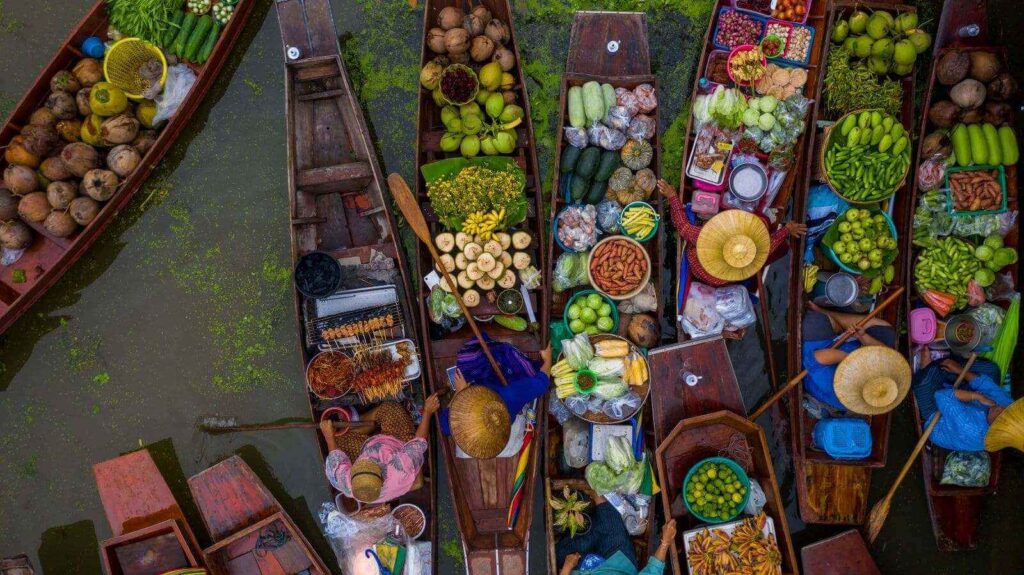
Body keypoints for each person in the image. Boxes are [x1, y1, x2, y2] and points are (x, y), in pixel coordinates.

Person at [658, 179, 805, 286]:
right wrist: (787, 230)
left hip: (700, 260)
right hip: (712, 270)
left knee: (764, 224)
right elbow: (769, 246)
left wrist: (672, 196)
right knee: (764, 223)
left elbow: (682, 226)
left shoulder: (707, 237)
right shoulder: (750, 259)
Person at [320, 393, 440, 504]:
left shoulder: (347, 483)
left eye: (362, 463)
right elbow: (419, 441)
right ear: (382, 476)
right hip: (396, 443)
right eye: (369, 463)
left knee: (339, 439)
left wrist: (329, 436)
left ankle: (366, 423)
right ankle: (371, 423)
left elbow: (335, 461)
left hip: (370, 446)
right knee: (391, 408)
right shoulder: (398, 468)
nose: (365, 460)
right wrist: (428, 412)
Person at [438, 343, 551, 458]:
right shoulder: (511, 396)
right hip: (504, 412)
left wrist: (459, 392)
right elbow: (542, 381)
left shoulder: (510, 396)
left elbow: (445, 427)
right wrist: (548, 359)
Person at [802, 302, 898, 411]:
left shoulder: (840, 389)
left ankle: (833, 323)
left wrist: (854, 359)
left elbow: (816, 358)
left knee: (814, 320)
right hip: (849, 348)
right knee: (886, 332)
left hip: (816, 359)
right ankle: (827, 314)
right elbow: (884, 352)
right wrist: (862, 336)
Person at [912, 353, 1012, 452]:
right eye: (1006, 409)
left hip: (938, 417)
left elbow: (941, 396)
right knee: (992, 370)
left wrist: (977, 396)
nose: (999, 407)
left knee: (923, 383)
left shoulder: (971, 429)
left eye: (998, 415)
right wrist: (960, 370)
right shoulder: (1009, 406)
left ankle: (927, 369)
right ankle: (946, 370)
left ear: (993, 429)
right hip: (962, 402)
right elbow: (984, 383)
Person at [557, 503, 676, 575]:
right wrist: (665, 542)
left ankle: (592, 527)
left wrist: (567, 568)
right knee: (606, 508)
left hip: (578, 569)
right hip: (618, 563)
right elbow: (653, 571)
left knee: (561, 552)